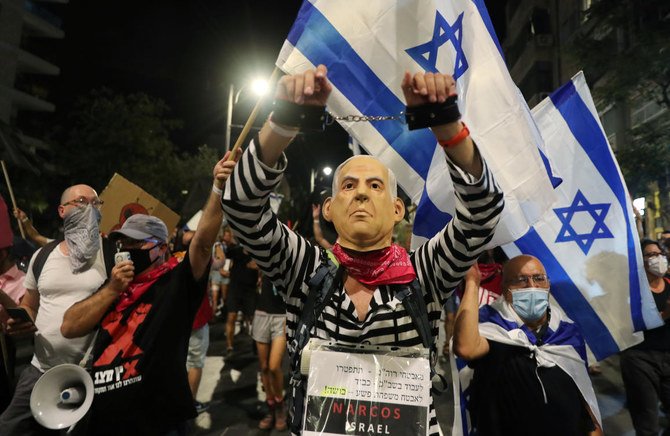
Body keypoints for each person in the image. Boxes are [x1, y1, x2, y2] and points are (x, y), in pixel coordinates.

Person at [220, 65, 504, 435]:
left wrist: (446, 124)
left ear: (397, 209)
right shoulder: (304, 269)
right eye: (348, 186)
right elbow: (241, 206)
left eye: (375, 185)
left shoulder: (426, 273)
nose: (362, 193)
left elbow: (482, 214)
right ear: (329, 209)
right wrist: (285, 122)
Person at [59, 152, 236, 435]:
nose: (127, 247)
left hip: (158, 423)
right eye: (123, 241)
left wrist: (218, 188)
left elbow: (202, 244)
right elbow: (69, 326)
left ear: (161, 248)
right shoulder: (114, 284)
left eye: (137, 243)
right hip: (104, 421)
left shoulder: (175, 284)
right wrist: (113, 290)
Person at [0, 184, 108, 435]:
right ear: (62, 211)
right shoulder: (42, 256)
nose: (90, 209)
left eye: (96, 203)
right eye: (81, 202)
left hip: (91, 374)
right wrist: (21, 321)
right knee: (8, 427)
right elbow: (29, 305)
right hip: (41, 370)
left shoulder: (111, 253)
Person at [453, 255, 602, 436]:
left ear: (548, 284)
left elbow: (583, 391)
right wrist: (472, 282)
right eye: (521, 280)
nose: (532, 286)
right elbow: (466, 348)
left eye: (539, 278)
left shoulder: (567, 331)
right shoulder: (491, 324)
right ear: (505, 288)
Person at [620, 239, 670, 435]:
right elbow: (629, 324)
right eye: (651, 254)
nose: (658, 258)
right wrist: (665, 315)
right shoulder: (631, 291)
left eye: (660, 253)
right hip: (640, 359)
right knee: (646, 418)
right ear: (640, 260)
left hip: (668, 354)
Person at [252, 275, 287, 431]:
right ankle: (271, 406)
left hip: (282, 316)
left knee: (274, 366)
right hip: (261, 314)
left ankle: (280, 405)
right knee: (264, 367)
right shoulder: (265, 257)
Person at [224, 244, 259, 358]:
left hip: (250, 290)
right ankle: (229, 347)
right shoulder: (236, 251)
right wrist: (222, 269)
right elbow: (223, 259)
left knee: (253, 319)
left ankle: (256, 345)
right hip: (235, 289)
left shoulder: (257, 253)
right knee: (231, 317)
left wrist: (258, 267)